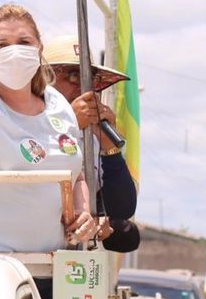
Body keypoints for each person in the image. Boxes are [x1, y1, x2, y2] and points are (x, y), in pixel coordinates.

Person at [0, 4, 111, 299]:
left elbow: (75, 175)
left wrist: (84, 212)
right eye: (2, 45)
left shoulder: (58, 103)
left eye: (24, 42)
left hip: (49, 270)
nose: (15, 51)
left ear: (39, 49)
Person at [44, 35, 139, 252]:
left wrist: (109, 148)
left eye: (91, 78)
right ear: (45, 79)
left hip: (70, 258)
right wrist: (69, 124)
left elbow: (122, 209)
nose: (85, 86)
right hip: (23, 253)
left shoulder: (93, 137)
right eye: (74, 75)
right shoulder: (28, 122)